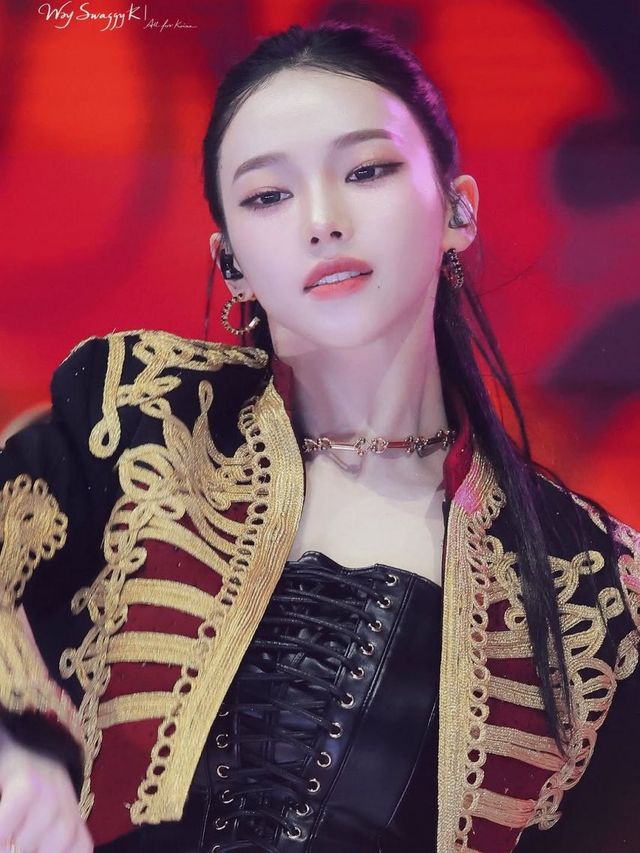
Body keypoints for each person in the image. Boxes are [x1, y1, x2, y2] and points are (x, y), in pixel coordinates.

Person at [0, 20, 638, 853]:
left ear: (457, 209)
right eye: (268, 195)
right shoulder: (132, 417)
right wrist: (19, 749)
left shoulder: (594, 585)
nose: (322, 220)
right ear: (232, 262)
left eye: (367, 170)